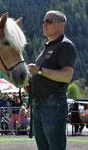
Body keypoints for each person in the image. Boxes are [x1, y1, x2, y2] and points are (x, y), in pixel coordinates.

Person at [27, 10, 77, 150]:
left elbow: (67, 76)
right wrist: (31, 86)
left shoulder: (65, 45)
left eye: (49, 21)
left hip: (53, 104)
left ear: (62, 25)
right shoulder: (47, 47)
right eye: (43, 21)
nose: (44, 24)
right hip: (39, 104)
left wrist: (40, 70)